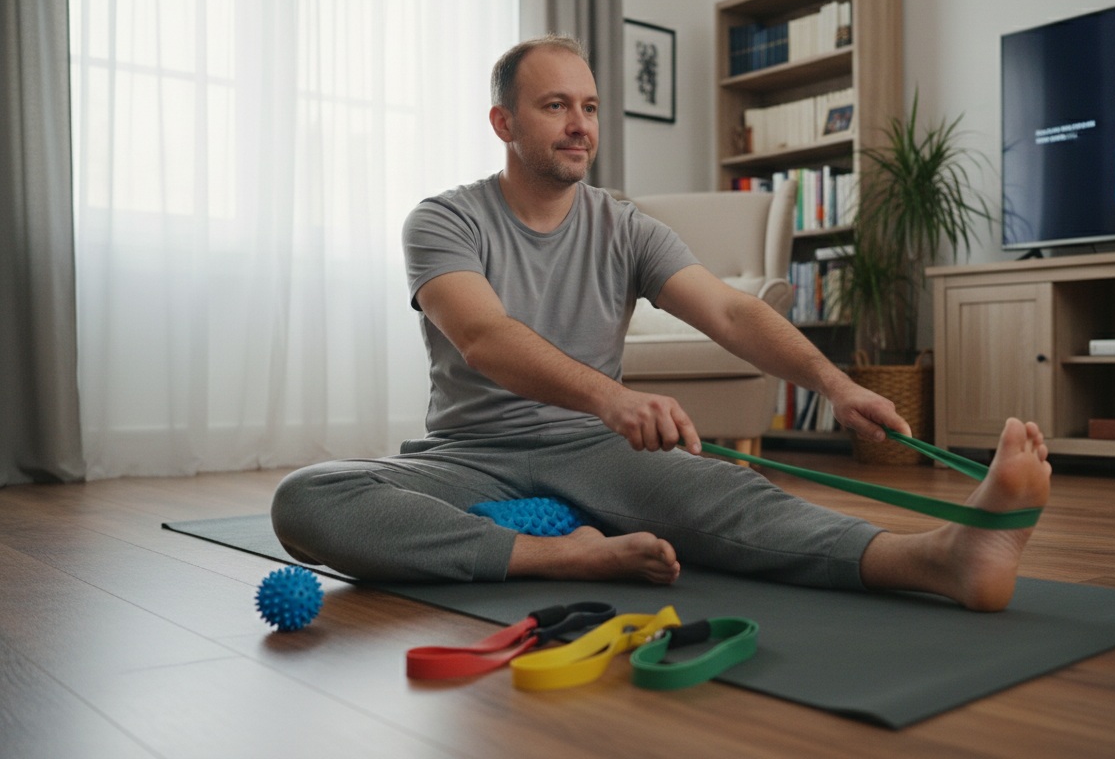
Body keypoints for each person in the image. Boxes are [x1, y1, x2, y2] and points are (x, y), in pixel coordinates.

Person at [271, 35, 1051, 612]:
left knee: (738, 497)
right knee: (309, 499)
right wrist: (611, 400)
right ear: (503, 122)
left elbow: (731, 310)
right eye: (554, 107)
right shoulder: (442, 220)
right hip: (469, 457)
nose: (579, 125)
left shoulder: (626, 225)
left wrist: (834, 383)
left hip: (597, 456)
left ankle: (945, 557)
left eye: (588, 107)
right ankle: (561, 557)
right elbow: (484, 337)